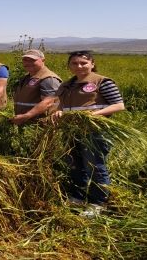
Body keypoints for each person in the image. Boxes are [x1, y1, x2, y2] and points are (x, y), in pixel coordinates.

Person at [52, 50, 125, 217]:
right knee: (75, 165)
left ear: (92, 64)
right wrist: (59, 112)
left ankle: (98, 203)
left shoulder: (102, 82)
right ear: (69, 66)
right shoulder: (66, 85)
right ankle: (77, 197)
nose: (79, 66)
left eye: (83, 63)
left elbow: (119, 105)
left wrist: (94, 115)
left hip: (95, 132)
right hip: (71, 131)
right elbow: (61, 105)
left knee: (95, 167)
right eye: (74, 63)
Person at [11, 49, 62, 125]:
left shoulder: (48, 78)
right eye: (25, 60)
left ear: (43, 60)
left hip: (40, 126)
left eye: (32, 60)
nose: (28, 63)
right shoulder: (27, 77)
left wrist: (26, 116)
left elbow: (48, 102)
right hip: (26, 123)